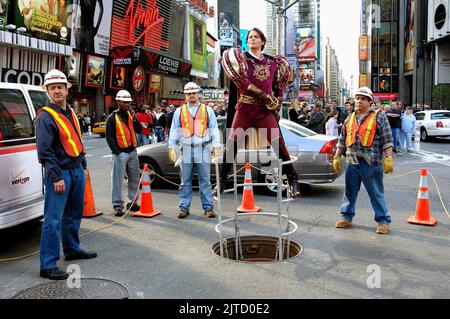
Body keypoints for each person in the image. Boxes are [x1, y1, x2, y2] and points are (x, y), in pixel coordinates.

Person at [216, 27, 300, 198]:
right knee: (231, 146)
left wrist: (276, 103)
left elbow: (278, 87)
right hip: (245, 109)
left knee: (279, 145)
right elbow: (243, 84)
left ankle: (293, 180)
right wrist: (265, 96)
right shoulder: (241, 58)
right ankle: (222, 181)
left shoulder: (274, 62)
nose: (252, 39)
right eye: (250, 37)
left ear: (262, 41)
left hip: (264, 112)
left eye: (256, 37)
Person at [35, 69, 97, 280]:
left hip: (76, 169)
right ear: (48, 91)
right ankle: (48, 265)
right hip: (60, 172)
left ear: (66, 89)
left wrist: (82, 164)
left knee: (73, 214)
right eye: (52, 88)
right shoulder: (45, 116)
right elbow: (45, 151)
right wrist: (56, 177)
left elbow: (75, 139)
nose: (56, 91)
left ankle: (72, 249)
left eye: (59, 87)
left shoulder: (69, 111)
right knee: (53, 219)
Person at [332, 86, 394, 235]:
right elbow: (342, 140)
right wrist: (337, 156)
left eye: (363, 99)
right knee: (349, 192)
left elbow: (387, 140)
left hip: (371, 163)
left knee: (376, 193)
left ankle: (383, 221)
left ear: (369, 101)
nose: (359, 101)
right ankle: (346, 217)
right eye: (357, 98)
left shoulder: (379, 116)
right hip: (352, 161)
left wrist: (389, 158)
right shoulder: (350, 117)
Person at [167, 82, 221, 219]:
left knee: (205, 181)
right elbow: (174, 130)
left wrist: (216, 145)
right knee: (185, 181)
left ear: (198, 94)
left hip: (202, 148)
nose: (191, 96)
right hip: (185, 149)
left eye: (194, 93)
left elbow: (214, 129)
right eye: (189, 94)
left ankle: (208, 208)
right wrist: (171, 146)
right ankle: (184, 208)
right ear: (185, 95)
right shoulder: (179, 112)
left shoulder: (207, 110)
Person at [106, 90, 143, 217]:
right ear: (118, 102)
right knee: (117, 180)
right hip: (120, 154)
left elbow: (139, 130)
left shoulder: (131, 116)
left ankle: (132, 202)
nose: (126, 104)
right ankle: (117, 205)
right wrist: (118, 152)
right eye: (124, 102)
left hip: (132, 152)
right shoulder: (112, 118)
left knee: (134, 179)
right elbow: (109, 138)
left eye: (128, 102)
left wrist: (135, 118)